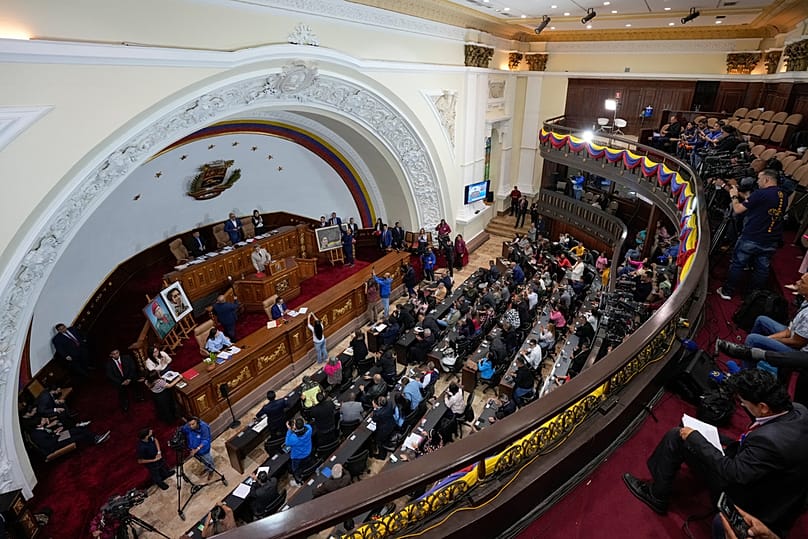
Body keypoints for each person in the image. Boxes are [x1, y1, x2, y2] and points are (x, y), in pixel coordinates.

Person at [622, 369, 808, 539]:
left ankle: (657, 495)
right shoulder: (799, 410)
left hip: (753, 500)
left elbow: (732, 473)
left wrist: (695, 438)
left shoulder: (768, 441)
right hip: (777, 484)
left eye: (743, 402)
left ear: (763, 407)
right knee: (699, 434)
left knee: (678, 436)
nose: (741, 405)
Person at [717, 169, 786, 301]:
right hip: (771, 239)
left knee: (738, 263)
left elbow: (737, 209)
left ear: (766, 180)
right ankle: (751, 296)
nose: (757, 181)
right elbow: (754, 201)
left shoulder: (761, 194)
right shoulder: (783, 194)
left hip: (752, 236)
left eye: (759, 179)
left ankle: (727, 291)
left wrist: (734, 196)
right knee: (762, 268)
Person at [28, 416, 109, 454]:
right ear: (38, 425)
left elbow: (48, 435)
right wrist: (56, 435)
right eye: (42, 420)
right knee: (79, 437)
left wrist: (55, 431)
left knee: (77, 429)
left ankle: (96, 437)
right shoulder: (36, 435)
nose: (44, 420)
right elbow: (48, 444)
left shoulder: (39, 429)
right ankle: (95, 440)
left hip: (56, 437)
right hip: (55, 444)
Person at [285, 418, 313, 487]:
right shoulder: (309, 429)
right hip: (308, 451)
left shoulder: (293, 438)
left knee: (295, 469)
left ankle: (298, 482)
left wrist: (289, 430)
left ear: (295, 427)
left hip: (297, 456)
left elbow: (287, 442)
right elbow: (305, 426)